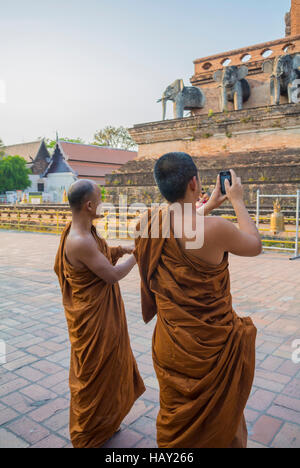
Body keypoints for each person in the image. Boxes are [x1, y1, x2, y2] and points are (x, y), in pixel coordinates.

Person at [133, 152, 260, 448]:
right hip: (212, 349)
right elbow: (254, 245)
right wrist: (237, 200)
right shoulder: (215, 229)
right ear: (194, 182)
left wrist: (211, 203)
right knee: (221, 423)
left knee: (176, 419)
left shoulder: (146, 224)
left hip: (171, 345)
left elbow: (179, 228)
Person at [54, 179, 145, 448]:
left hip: (99, 315)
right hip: (93, 323)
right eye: (100, 198)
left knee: (109, 371)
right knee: (95, 375)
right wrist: (139, 255)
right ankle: (87, 433)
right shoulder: (79, 240)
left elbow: (100, 255)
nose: (103, 202)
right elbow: (112, 274)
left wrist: (122, 249)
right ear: (90, 205)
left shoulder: (82, 231)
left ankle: (105, 422)